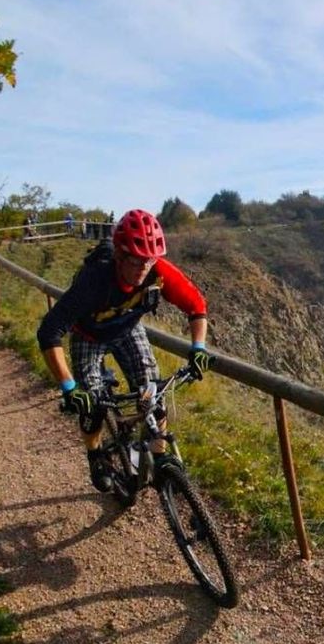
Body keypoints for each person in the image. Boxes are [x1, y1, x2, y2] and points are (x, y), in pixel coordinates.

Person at [36, 209, 211, 491]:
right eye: (136, 260)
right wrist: (69, 388)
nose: (144, 267)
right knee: (91, 404)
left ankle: (159, 454)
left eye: (150, 260)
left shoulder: (158, 271)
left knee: (152, 392)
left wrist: (198, 347)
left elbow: (196, 305)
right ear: (119, 255)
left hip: (128, 329)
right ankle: (95, 456)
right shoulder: (94, 280)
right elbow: (49, 331)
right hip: (89, 336)